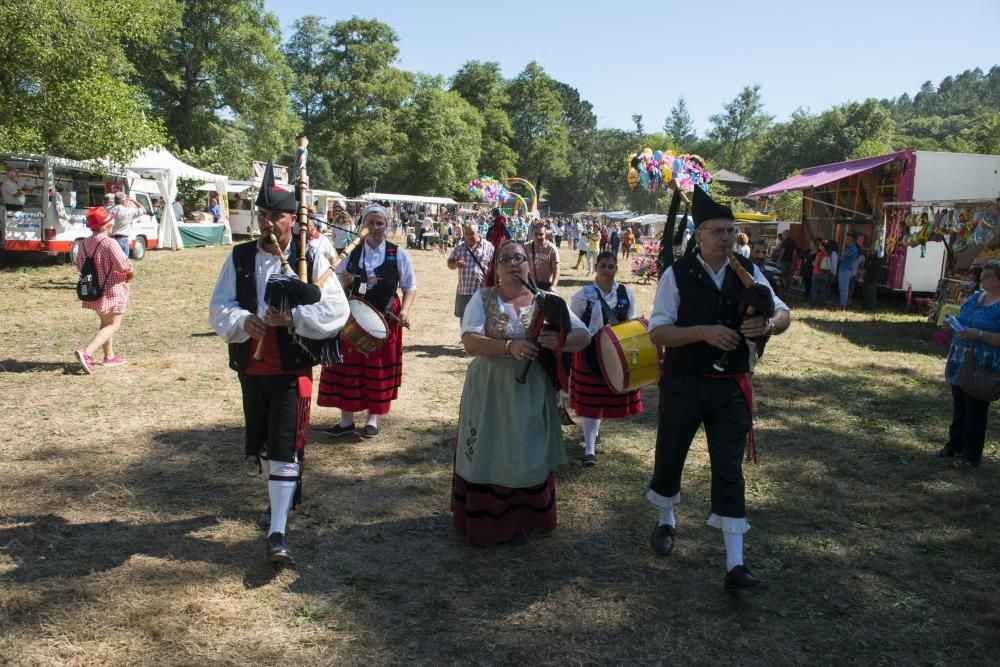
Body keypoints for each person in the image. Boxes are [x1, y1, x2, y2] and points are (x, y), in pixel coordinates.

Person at [645, 186, 791, 593]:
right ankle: (665, 522)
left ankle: (735, 564)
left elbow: (782, 311)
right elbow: (659, 331)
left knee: (729, 469)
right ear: (699, 234)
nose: (727, 237)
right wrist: (703, 333)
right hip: (684, 383)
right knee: (671, 454)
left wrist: (768, 326)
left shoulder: (747, 270)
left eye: (731, 230)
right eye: (718, 230)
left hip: (730, 388)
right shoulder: (676, 274)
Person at [209, 167, 350, 564]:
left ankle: (278, 531)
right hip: (251, 369)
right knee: (266, 444)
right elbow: (220, 306)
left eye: (276, 217)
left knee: (286, 446)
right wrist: (242, 321)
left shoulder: (313, 255)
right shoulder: (240, 256)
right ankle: (277, 505)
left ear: (292, 219)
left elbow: (335, 310)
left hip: (291, 369)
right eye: (262, 215)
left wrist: (293, 320)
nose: (268, 223)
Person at [452, 241, 590, 545]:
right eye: (506, 259)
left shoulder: (548, 300)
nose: (513, 263)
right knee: (490, 447)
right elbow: (470, 341)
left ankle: (525, 519)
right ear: (496, 267)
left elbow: (583, 335)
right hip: (490, 386)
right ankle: (489, 521)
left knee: (526, 447)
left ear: (529, 264)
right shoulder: (483, 297)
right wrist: (507, 347)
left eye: (519, 258)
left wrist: (559, 341)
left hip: (531, 388)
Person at [319, 204, 416, 438]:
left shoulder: (398, 253)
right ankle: (346, 420)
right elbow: (332, 283)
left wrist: (404, 311)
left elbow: (409, 287)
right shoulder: (351, 251)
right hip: (352, 316)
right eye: (370, 222)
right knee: (347, 366)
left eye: (379, 223)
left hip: (384, 317)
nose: (375, 227)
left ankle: (373, 419)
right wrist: (341, 282)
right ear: (362, 225)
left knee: (377, 367)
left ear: (387, 226)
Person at [569, 251, 641, 465]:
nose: (607, 270)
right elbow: (574, 323)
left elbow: (630, 322)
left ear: (615, 268)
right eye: (603, 266)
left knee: (600, 400)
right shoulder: (584, 294)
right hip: (590, 353)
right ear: (597, 268)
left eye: (611, 266)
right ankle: (589, 450)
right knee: (591, 402)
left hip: (615, 354)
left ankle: (593, 433)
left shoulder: (626, 293)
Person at [940, 259, 1000, 468]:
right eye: (982, 274)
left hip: (982, 364)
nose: (982, 278)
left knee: (975, 409)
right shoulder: (975, 297)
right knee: (960, 406)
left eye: (988, 275)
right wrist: (952, 325)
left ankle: (970, 455)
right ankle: (954, 445)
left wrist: (979, 334)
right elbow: (962, 318)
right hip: (960, 358)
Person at [74, 206, 135, 374]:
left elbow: (79, 265)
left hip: (94, 290)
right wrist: (130, 272)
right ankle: (86, 353)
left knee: (105, 323)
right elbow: (124, 265)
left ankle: (109, 357)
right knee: (114, 325)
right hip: (112, 289)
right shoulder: (110, 242)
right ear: (106, 224)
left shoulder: (85, 243)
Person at [447, 224, 495, 337]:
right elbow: (449, 263)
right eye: (466, 233)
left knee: (483, 315)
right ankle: (465, 338)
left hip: (483, 290)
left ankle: (481, 338)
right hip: (465, 289)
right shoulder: (459, 247)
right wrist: (456, 264)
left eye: (471, 233)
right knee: (464, 316)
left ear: (478, 232)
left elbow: (495, 266)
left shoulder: (489, 247)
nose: (468, 236)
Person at [528, 221, 560, 290]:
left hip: (546, 286)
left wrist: (553, 286)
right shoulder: (527, 246)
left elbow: (556, 269)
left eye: (541, 234)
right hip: (531, 286)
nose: (538, 237)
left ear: (545, 234)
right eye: (536, 234)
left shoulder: (551, 248)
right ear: (532, 234)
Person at [107, 192, 141, 257]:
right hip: (122, 239)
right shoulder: (128, 210)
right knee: (124, 263)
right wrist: (133, 200)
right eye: (126, 200)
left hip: (110, 239)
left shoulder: (108, 210)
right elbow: (143, 210)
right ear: (123, 201)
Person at [838, 233, 859, 309]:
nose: (846, 240)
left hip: (846, 270)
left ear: (852, 240)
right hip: (843, 269)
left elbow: (842, 258)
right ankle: (841, 303)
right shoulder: (849, 248)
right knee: (841, 287)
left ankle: (843, 304)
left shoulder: (853, 249)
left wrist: (841, 257)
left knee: (844, 288)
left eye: (848, 239)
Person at [810, 241, 832, 307]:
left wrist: (812, 263)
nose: (819, 246)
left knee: (814, 289)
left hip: (817, 273)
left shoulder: (819, 254)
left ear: (823, 247)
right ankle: (821, 303)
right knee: (823, 289)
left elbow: (815, 264)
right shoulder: (829, 254)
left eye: (820, 245)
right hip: (825, 274)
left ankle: (813, 303)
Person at [778, 232, 797, 297]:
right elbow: (794, 253)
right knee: (789, 278)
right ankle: (786, 291)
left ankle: (782, 291)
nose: (782, 236)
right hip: (791, 262)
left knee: (783, 277)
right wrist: (793, 263)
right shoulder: (793, 242)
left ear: (785, 235)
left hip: (784, 262)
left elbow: (783, 251)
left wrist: (779, 260)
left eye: (783, 234)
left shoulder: (785, 242)